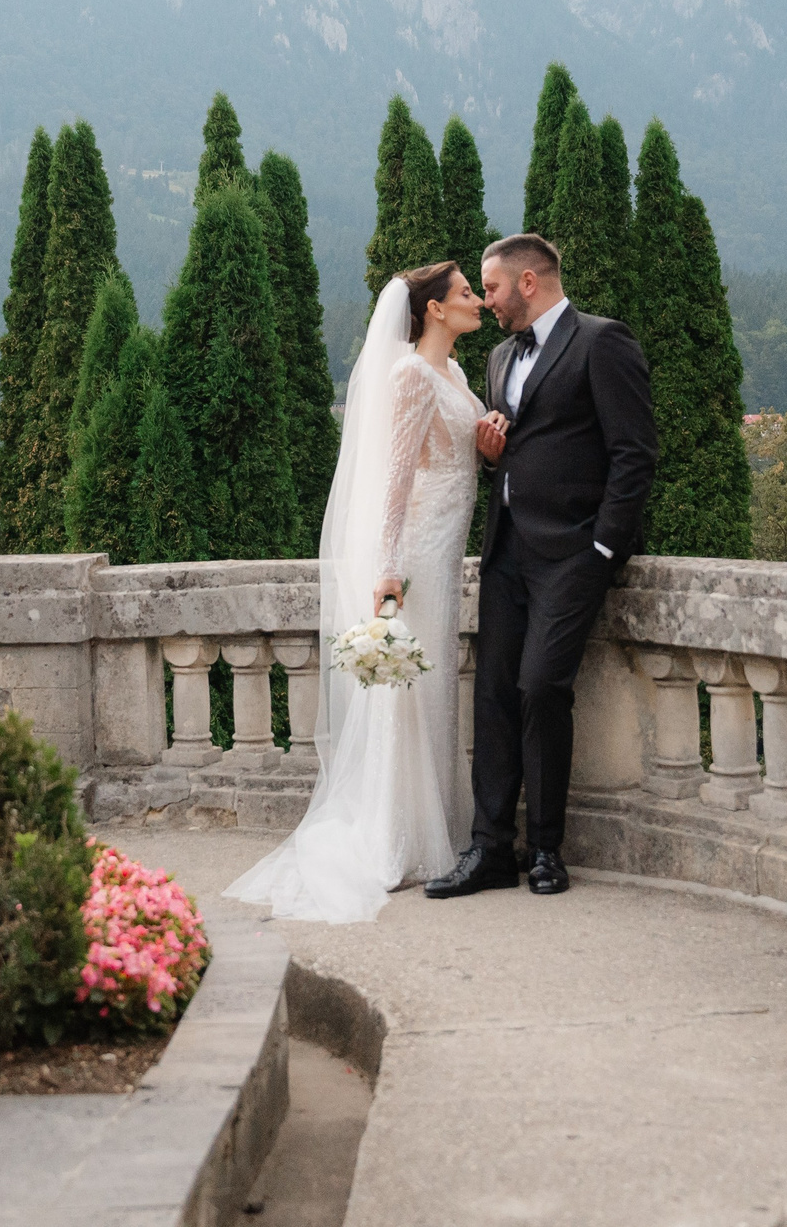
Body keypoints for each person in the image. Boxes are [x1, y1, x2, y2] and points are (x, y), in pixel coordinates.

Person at [225, 261, 488, 923]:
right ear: (432, 308)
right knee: (409, 692)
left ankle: (433, 830)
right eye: (464, 293)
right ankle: (396, 840)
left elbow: (455, 454)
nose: (477, 300)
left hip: (448, 547)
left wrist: (489, 445)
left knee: (431, 689)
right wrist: (389, 567)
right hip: (420, 550)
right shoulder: (410, 374)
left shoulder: (453, 373)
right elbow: (396, 478)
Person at [426, 232, 657, 899]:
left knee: (541, 688)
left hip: (572, 555)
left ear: (529, 281)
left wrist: (604, 548)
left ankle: (547, 848)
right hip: (505, 552)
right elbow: (524, 449)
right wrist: (495, 453)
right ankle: (490, 848)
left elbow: (634, 452)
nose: (486, 299)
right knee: (494, 696)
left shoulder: (602, 340)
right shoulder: (500, 356)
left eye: (492, 287)